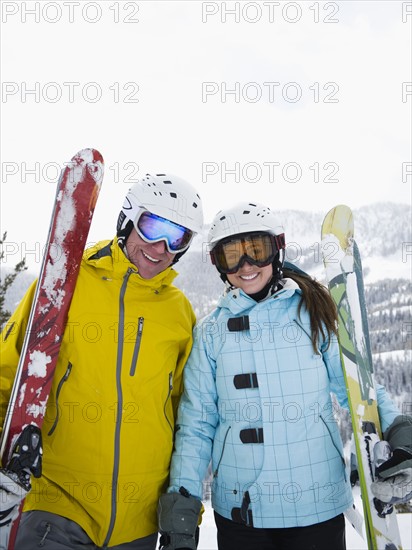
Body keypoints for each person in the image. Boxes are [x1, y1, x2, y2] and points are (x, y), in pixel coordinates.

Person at [157, 201, 412, 550]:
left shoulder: (313, 312)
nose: (246, 265)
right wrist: (182, 502)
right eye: (232, 255)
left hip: (316, 507)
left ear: (276, 250)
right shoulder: (211, 333)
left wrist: (398, 427)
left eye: (257, 250)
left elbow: (357, 387)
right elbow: (197, 424)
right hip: (242, 511)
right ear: (219, 265)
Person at [0, 173, 204, 549]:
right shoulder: (64, 281)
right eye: (152, 226)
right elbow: (8, 371)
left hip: (138, 519)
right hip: (57, 505)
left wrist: (183, 506)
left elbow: (188, 414)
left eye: (177, 238)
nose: (160, 247)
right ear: (127, 219)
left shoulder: (179, 313)